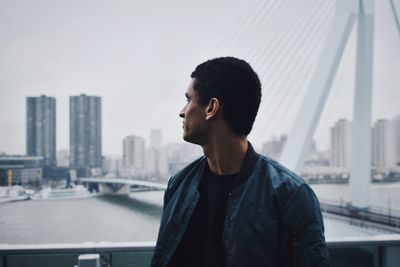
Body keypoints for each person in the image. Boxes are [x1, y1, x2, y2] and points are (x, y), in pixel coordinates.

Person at [151, 57, 329, 267]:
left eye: (189, 99)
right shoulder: (178, 185)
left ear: (211, 108)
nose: (182, 111)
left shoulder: (290, 195)